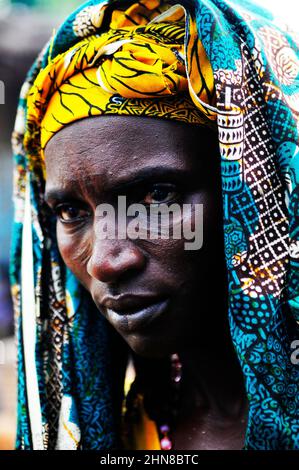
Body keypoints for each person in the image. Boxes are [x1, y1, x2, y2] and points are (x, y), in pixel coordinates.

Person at [11, 0, 299, 450]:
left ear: (257, 191)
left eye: (157, 196)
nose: (106, 262)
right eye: (71, 212)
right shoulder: (130, 427)